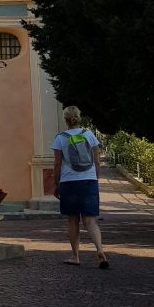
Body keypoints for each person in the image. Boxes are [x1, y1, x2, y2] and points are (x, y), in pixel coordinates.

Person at [51, 105, 109, 268]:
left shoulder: (60, 138)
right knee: (90, 220)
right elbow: (97, 161)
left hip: (68, 183)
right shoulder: (89, 135)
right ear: (79, 117)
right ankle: (100, 251)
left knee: (72, 220)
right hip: (89, 181)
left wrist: (56, 185)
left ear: (66, 120)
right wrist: (94, 178)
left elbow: (57, 164)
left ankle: (75, 256)